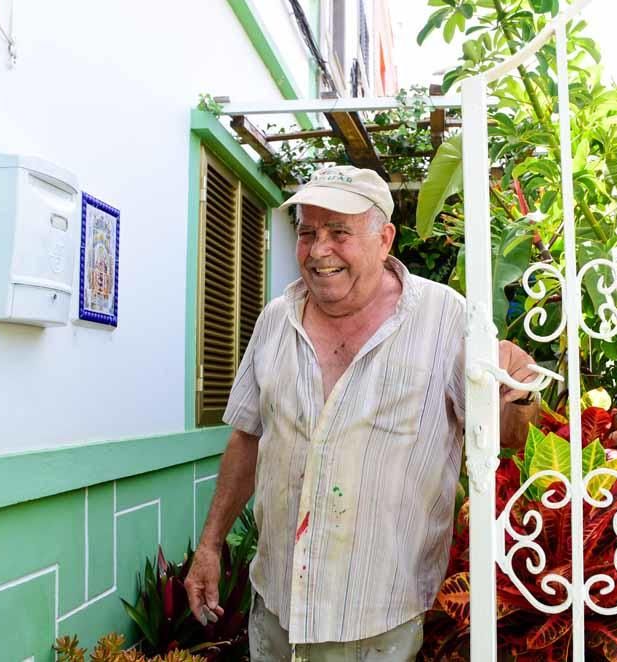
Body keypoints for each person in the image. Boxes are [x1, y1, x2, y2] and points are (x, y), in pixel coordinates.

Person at [184, 165, 539, 661]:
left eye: (339, 232)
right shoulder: (274, 320)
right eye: (307, 232)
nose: (319, 249)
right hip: (278, 608)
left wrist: (518, 392)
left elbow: (509, 436)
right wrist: (210, 545)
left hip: (382, 621)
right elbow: (247, 436)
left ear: (384, 239)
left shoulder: (446, 318)